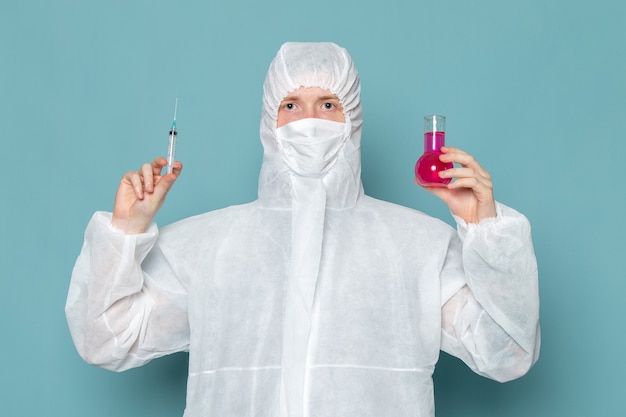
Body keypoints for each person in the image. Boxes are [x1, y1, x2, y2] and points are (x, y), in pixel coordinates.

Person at [66, 42, 540, 417]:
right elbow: (107, 340)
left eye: (328, 104)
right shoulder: (209, 247)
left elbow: (506, 354)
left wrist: (484, 230)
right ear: (269, 123)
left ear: (352, 122)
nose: (309, 121)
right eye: (291, 105)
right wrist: (125, 230)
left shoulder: (417, 246)